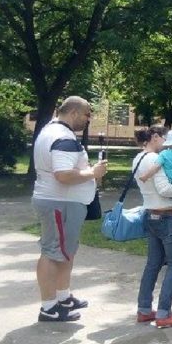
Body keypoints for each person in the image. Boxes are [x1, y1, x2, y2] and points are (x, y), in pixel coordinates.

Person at [32, 96, 108, 322]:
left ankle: (62, 297)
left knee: (65, 251)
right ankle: (48, 307)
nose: (88, 119)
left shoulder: (51, 131)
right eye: (86, 114)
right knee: (52, 253)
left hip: (62, 202)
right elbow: (63, 174)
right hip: (59, 202)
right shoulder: (61, 136)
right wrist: (92, 173)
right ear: (74, 112)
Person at [134, 126, 172, 328]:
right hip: (167, 216)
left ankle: (144, 309)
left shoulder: (138, 158)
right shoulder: (152, 159)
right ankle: (164, 313)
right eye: (164, 138)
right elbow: (165, 189)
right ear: (154, 137)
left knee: (153, 264)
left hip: (150, 214)